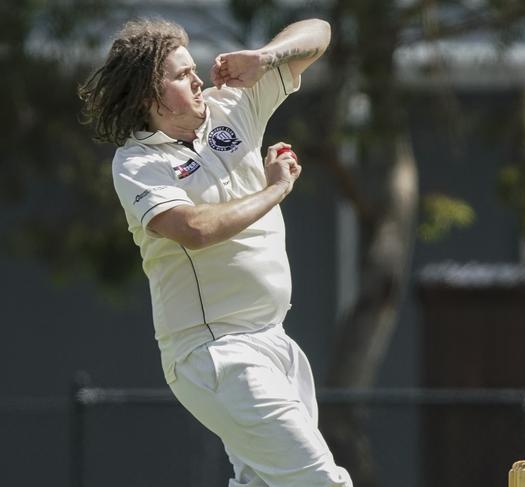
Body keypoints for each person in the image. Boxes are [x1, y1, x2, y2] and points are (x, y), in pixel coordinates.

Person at [79, 17, 352, 487]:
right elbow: (195, 229)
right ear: (150, 95)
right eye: (182, 75)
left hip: (274, 341)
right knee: (321, 482)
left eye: (194, 69)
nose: (198, 78)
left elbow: (321, 32)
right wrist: (275, 190)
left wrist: (264, 58)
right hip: (214, 352)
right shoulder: (139, 162)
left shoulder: (233, 108)